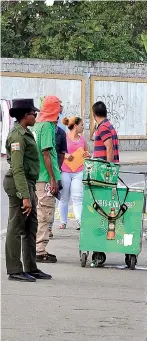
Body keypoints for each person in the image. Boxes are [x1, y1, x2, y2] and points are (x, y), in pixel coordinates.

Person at [3, 99, 52, 281]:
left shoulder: (26, 132)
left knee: (31, 226)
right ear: (25, 115)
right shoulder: (17, 136)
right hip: (18, 184)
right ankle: (15, 270)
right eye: (33, 113)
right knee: (16, 226)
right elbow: (17, 169)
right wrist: (24, 196)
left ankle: (31, 267)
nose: (36, 116)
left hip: (28, 183)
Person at [32, 96, 62, 263]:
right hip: (44, 178)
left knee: (39, 212)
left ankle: (36, 247)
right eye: (58, 109)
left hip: (37, 177)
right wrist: (52, 178)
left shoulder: (36, 125)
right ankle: (40, 250)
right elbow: (46, 153)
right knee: (45, 213)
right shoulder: (48, 126)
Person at [58, 116, 90, 230]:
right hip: (65, 171)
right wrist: (67, 156)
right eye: (81, 125)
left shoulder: (82, 139)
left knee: (78, 197)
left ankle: (80, 221)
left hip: (79, 171)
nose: (83, 127)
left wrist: (87, 155)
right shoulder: (65, 138)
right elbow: (59, 152)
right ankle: (63, 222)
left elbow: (87, 152)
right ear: (75, 126)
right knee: (64, 197)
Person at [48, 122, 67, 238]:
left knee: (51, 200)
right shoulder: (42, 130)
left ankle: (49, 228)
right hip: (41, 173)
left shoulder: (61, 133)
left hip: (55, 172)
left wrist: (58, 169)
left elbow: (62, 153)